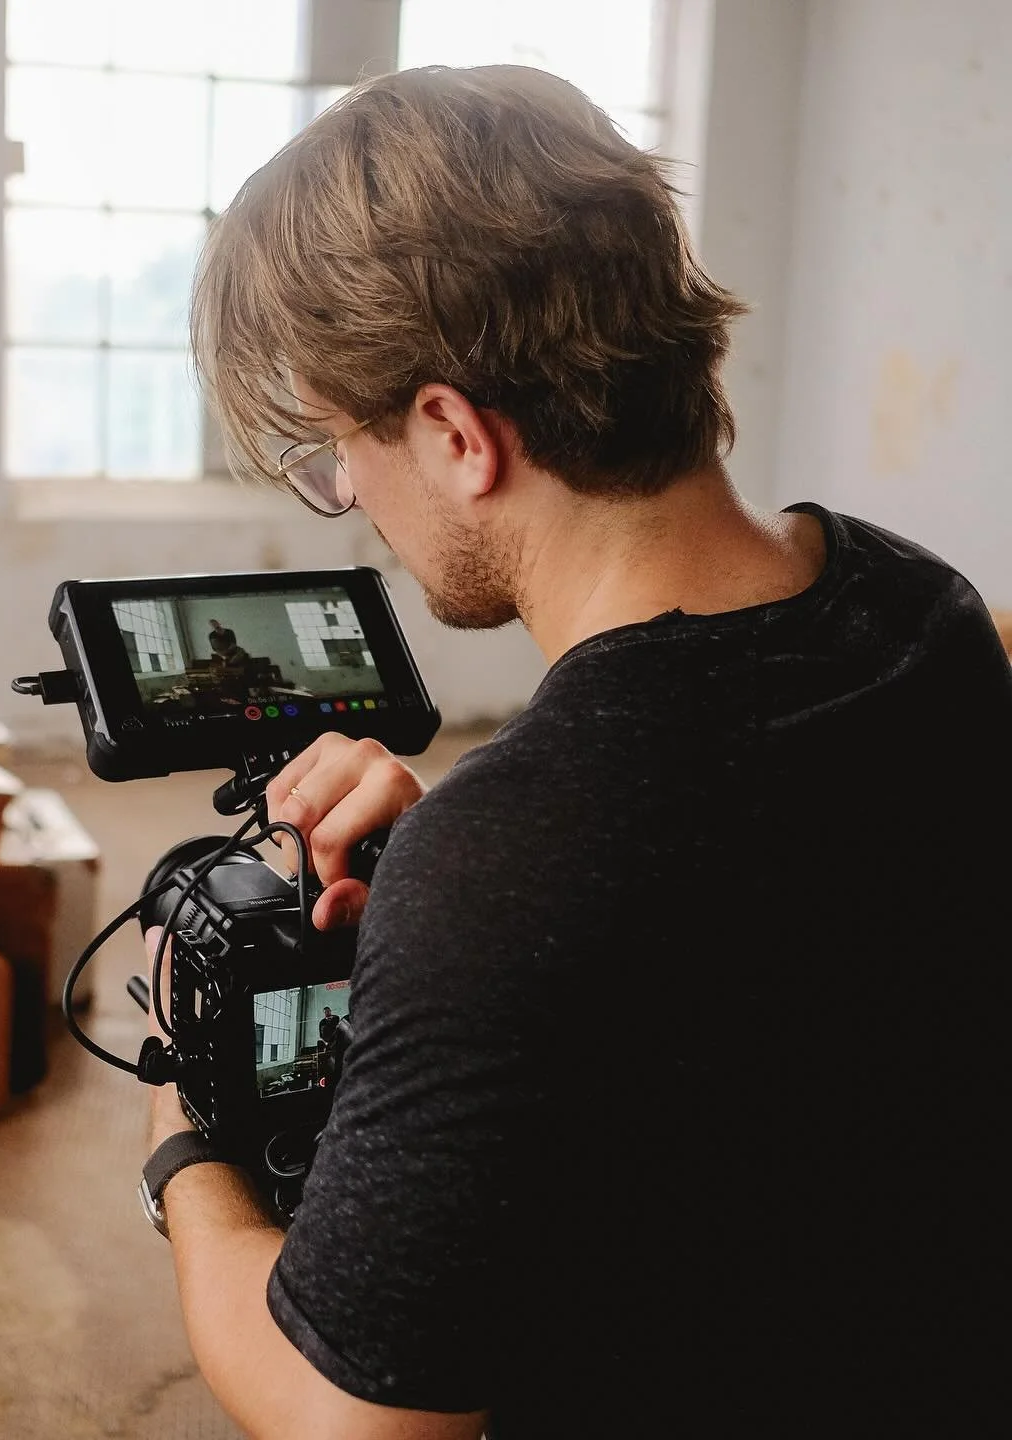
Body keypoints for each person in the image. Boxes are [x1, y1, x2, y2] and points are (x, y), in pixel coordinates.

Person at [137, 64, 1012, 1439]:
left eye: (336, 454)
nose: (350, 498)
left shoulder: (517, 866)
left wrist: (183, 1136)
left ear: (450, 434)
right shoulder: (923, 609)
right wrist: (464, 873)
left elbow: (353, 1421)